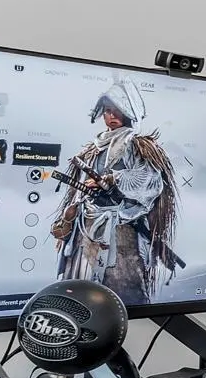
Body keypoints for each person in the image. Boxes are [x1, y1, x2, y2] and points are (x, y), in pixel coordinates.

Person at [51, 79, 179, 306]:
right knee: (79, 286)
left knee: (123, 287)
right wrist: (67, 223)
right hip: (86, 223)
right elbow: (78, 187)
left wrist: (112, 179)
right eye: (107, 111)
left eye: (116, 110)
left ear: (128, 111)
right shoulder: (94, 147)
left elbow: (149, 181)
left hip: (120, 228)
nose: (111, 116)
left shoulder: (136, 144)